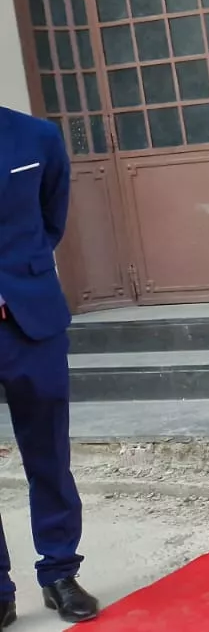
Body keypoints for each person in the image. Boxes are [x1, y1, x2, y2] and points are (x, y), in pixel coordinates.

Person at [0, 107, 100, 627]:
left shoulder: (36, 136)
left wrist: (17, 280)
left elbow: (50, 219)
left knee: (48, 455)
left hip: (29, 321)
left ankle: (59, 572)